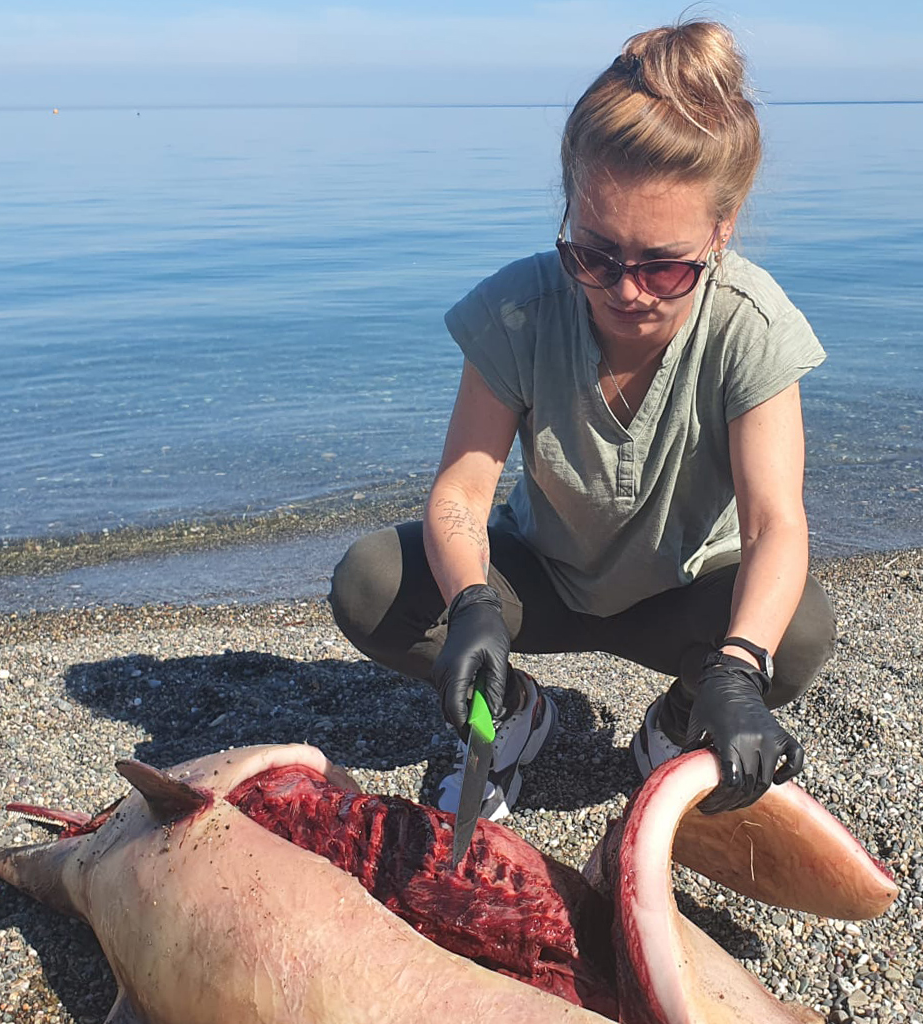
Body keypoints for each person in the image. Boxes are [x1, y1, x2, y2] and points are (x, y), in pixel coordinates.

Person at [329, 19, 836, 821]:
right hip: (544, 577)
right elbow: (462, 492)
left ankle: (676, 725)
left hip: (682, 593)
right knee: (372, 584)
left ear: (721, 229)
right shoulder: (518, 310)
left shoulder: (752, 325)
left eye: (664, 266)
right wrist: (471, 605)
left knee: (798, 630)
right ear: (568, 211)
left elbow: (777, 524)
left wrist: (737, 670)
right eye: (595, 256)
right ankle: (514, 716)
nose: (625, 291)